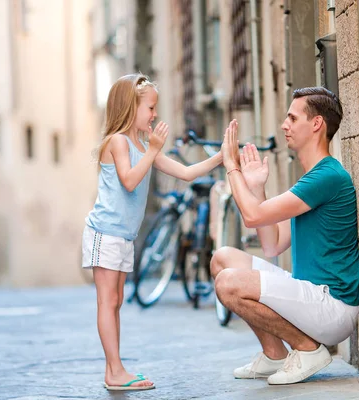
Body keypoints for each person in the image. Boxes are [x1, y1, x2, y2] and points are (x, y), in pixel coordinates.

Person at [212, 87, 359, 385]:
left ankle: (308, 350)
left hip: (332, 306)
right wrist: (256, 187)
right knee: (223, 259)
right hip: (309, 293)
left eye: (293, 118)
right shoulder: (312, 179)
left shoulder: (327, 177)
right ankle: (274, 355)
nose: (284, 125)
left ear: (316, 124)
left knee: (229, 282)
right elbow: (272, 244)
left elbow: (253, 216)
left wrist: (232, 168)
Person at [83, 73, 223, 391]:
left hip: (122, 236)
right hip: (105, 233)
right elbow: (129, 180)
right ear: (130, 108)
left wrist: (221, 157)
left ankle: (114, 370)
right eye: (150, 108)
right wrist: (152, 150)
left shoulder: (143, 146)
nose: (155, 114)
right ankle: (115, 371)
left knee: (116, 301)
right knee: (108, 301)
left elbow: (186, 173)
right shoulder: (117, 142)